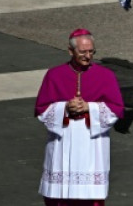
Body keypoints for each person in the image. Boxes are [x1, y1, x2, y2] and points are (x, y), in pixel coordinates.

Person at [35, 29, 125, 206]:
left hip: (91, 140)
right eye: (83, 52)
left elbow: (117, 108)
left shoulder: (106, 76)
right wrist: (65, 108)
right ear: (70, 51)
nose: (88, 56)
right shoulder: (54, 75)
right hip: (64, 138)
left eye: (91, 51)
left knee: (90, 196)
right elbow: (42, 108)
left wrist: (90, 108)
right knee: (59, 195)